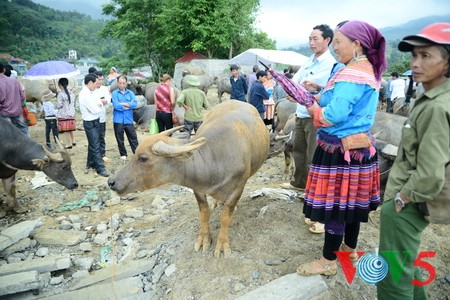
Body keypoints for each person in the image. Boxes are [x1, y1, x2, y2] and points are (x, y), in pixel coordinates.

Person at [296, 20, 386, 276]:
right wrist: (316, 95)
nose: (335, 48)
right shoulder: (367, 69)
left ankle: (328, 262)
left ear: (357, 44)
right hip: (360, 149)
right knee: (352, 206)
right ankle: (349, 250)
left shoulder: (352, 73)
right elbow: (336, 97)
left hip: (339, 151)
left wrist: (313, 108)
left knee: (335, 206)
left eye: (338, 42)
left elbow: (334, 114)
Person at [377, 22, 450, 299]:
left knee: (393, 278)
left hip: (406, 203)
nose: (415, 63)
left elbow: (430, 173)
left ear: (447, 62)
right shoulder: (431, 97)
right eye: (414, 55)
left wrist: (401, 199)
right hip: (409, 200)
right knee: (406, 265)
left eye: (426, 56)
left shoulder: (436, 107)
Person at [280, 24, 337, 234]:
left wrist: (305, 89)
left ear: (328, 40)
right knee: (298, 150)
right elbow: (295, 83)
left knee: (315, 156)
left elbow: (324, 90)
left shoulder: (331, 64)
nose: (311, 43)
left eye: (315, 39)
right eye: (310, 39)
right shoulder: (308, 61)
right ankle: (299, 182)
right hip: (301, 114)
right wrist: (291, 90)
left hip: (316, 115)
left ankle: (315, 197)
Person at [79, 73, 110, 177]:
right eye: (96, 83)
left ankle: (90, 163)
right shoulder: (85, 94)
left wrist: (98, 104)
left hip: (95, 120)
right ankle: (100, 168)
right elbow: (95, 110)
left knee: (93, 143)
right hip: (90, 122)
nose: (97, 85)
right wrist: (98, 105)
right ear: (90, 82)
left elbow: (97, 105)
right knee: (95, 145)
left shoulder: (91, 92)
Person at [111, 75, 139, 160]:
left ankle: (137, 153)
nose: (122, 85)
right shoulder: (114, 93)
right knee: (120, 138)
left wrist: (124, 104)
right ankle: (123, 154)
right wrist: (127, 106)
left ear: (126, 83)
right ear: (117, 83)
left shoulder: (130, 93)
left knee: (133, 137)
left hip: (128, 119)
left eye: (123, 83)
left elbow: (135, 104)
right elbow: (116, 106)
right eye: (120, 83)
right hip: (118, 120)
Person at [0, 63, 28, 135]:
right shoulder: (14, 81)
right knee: (24, 129)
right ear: (4, 69)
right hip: (17, 111)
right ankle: (28, 143)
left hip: (4, 113)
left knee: (7, 133)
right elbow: (22, 97)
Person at [93, 70, 111, 162]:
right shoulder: (91, 89)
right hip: (92, 117)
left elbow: (107, 101)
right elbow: (92, 102)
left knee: (101, 136)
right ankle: (95, 155)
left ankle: (102, 153)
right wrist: (101, 100)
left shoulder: (104, 89)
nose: (100, 81)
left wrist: (100, 101)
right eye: (99, 79)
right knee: (94, 137)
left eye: (102, 79)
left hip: (102, 117)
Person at [56, 77, 76, 148]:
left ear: (60, 85)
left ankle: (69, 143)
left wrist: (56, 104)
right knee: (70, 128)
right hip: (71, 113)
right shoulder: (72, 93)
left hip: (64, 114)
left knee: (66, 129)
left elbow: (59, 105)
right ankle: (73, 140)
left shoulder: (60, 94)